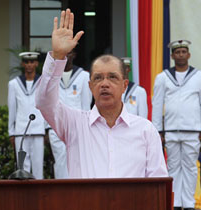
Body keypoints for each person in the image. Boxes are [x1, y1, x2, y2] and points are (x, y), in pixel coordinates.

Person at [35, 9, 168, 178]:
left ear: (124, 85)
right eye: (98, 78)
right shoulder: (74, 124)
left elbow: (158, 183)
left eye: (112, 77)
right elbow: (44, 101)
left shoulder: (146, 130)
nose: (105, 84)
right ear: (90, 86)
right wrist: (58, 57)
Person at [152, 40, 201, 210]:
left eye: (184, 51)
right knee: (173, 167)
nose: (181, 55)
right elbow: (157, 104)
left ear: (189, 55)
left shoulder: (199, 76)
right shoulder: (163, 77)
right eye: (177, 52)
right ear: (172, 56)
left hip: (192, 129)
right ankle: (175, 202)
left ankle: (189, 203)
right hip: (170, 129)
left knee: (190, 167)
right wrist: (158, 130)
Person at [47, 50, 92, 179]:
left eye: (70, 53)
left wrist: (87, 126)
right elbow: (48, 102)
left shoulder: (83, 76)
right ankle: (61, 191)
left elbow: (85, 104)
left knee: (77, 159)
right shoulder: (53, 75)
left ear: (74, 55)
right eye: (64, 52)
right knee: (60, 160)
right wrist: (47, 127)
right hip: (56, 125)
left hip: (77, 125)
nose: (67, 55)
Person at [8, 51, 45, 179]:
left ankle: (39, 195)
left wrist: (46, 128)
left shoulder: (42, 82)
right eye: (26, 62)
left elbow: (46, 106)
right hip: (21, 130)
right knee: (22, 167)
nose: (29, 65)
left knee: (38, 167)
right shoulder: (14, 83)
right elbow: (12, 108)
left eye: (32, 62)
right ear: (22, 64)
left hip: (38, 128)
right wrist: (11, 132)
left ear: (36, 63)